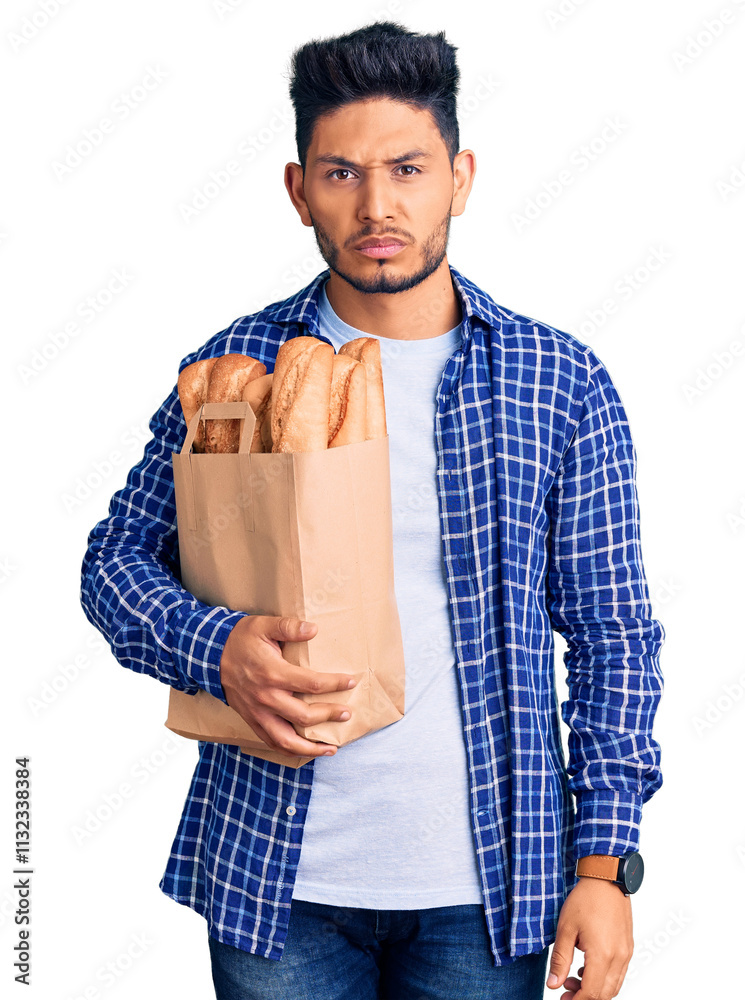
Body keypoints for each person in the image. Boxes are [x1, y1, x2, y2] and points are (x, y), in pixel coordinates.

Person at [79, 20, 664, 1000]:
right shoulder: (234, 368)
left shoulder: (557, 382)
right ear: (298, 188)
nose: (378, 205)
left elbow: (614, 636)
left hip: (491, 894)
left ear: (460, 177)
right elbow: (115, 560)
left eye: (407, 168)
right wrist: (212, 646)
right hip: (275, 885)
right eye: (341, 173)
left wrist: (605, 866)